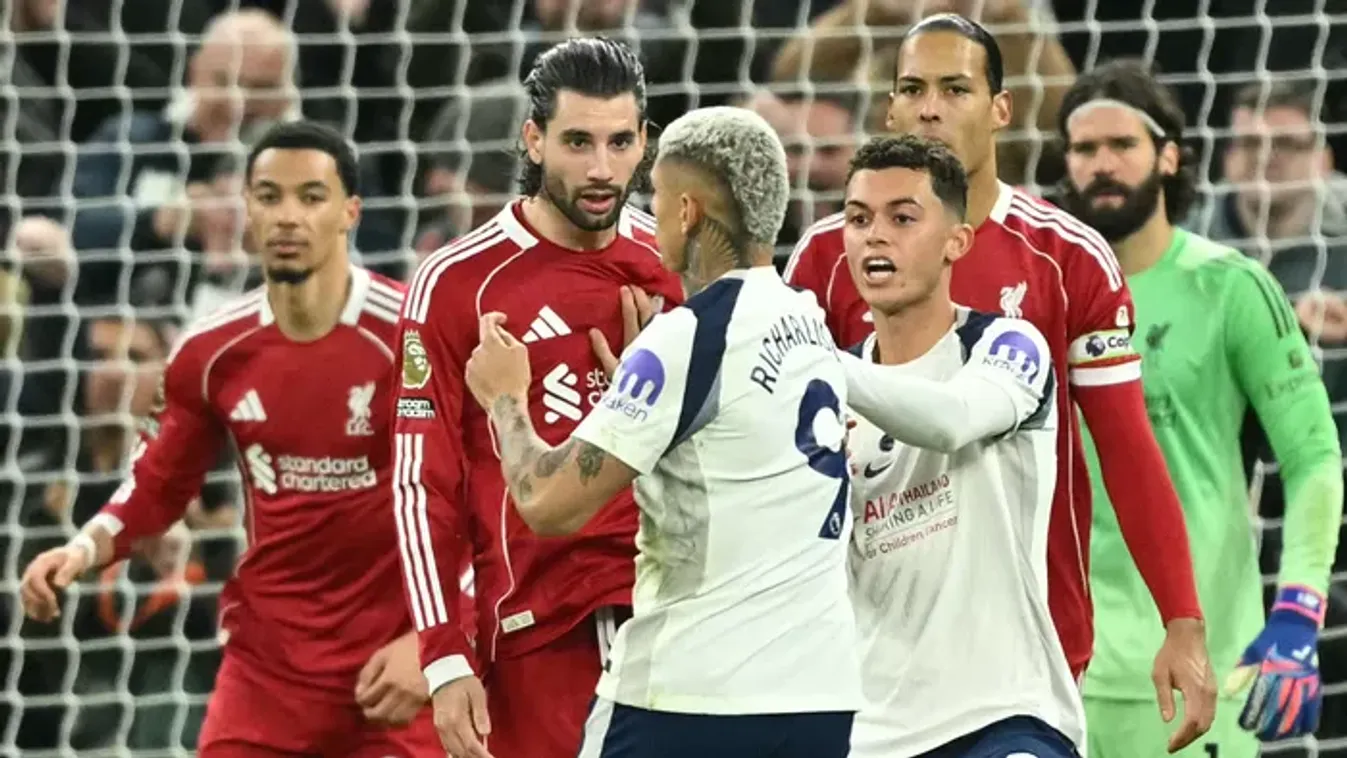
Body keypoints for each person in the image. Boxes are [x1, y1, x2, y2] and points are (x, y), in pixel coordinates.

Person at [782, 13, 1218, 748]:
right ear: (889, 107)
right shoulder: (829, 256)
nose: (930, 108)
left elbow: (1126, 450)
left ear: (1001, 109)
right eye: (912, 89)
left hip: (1025, 639)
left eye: (955, 89)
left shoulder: (1065, 257)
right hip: (867, 650)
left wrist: (1182, 619)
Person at [17, 120, 440, 757]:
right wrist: (79, 551)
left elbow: (489, 501)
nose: (288, 216)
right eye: (269, 196)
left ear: (350, 212)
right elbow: (156, 483)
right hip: (268, 673)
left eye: (311, 197)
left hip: (395, 675)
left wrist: (438, 645)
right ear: (247, 208)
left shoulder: (415, 339)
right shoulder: (211, 350)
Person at [462, 104, 860, 758]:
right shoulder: (808, 320)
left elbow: (548, 504)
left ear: (686, 212)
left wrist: (506, 400)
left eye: (655, 195)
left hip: (693, 694)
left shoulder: (688, 338)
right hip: (822, 695)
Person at [392, 38, 684, 758]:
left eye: (620, 142)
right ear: (533, 139)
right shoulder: (457, 284)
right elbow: (420, 484)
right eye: (577, 142)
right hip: (535, 630)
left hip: (673, 611)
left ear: (645, 142)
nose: (601, 168)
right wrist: (443, 654)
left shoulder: (676, 265)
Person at [1058, 60, 1343, 758]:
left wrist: (1298, 610)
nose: (1102, 164)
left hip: (1196, 674)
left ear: (1168, 156)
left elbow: (1313, 456)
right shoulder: (1042, 295)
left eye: (1121, 145)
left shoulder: (1230, 288)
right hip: (1052, 672)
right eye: (1084, 148)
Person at [838, 132, 1083, 758]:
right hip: (872, 731)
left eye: (902, 218)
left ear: (957, 240)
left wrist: (815, 361)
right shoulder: (829, 392)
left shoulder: (1007, 347)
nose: (875, 236)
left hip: (1006, 713)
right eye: (859, 219)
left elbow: (952, 419)